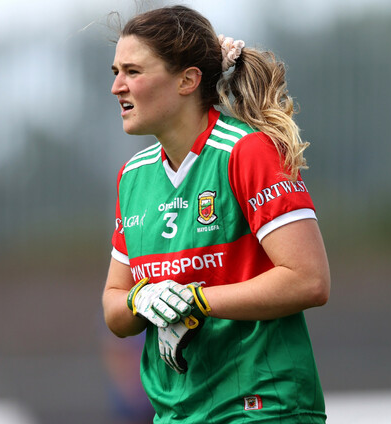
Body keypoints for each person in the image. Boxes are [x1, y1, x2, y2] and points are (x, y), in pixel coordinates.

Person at [102, 5, 331, 423]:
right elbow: (115, 308)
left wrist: (194, 300)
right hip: (176, 413)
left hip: (263, 407)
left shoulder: (248, 152)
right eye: (116, 72)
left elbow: (308, 280)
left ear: (187, 80)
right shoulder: (132, 177)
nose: (117, 86)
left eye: (133, 72)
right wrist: (142, 298)